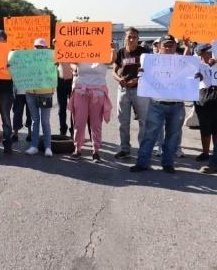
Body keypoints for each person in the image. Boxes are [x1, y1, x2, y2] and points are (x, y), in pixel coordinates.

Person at [130, 35, 188, 174]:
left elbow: (192, 76)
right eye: (165, 45)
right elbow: (143, 74)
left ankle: (168, 163)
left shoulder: (184, 62)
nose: (168, 48)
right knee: (150, 135)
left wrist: (198, 75)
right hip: (156, 104)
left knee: (173, 136)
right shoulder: (150, 61)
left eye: (171, 45)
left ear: (175, 46)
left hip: (177, 105)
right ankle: (142, 163)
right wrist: (141, 72)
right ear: (159, 47)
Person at [113, 27, 150, 159]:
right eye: (129, 37)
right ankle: (124, 148)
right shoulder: (121, 52)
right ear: (125, 38)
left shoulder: (145, 52)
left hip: (140, 90)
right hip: (123, 90)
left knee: (143, 121)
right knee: (123, 121)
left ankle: (143, 150)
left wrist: (137, 80)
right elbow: (114, 71)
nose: (132, 39)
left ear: (138, 39)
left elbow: (150, 71)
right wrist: (119, 79)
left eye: (134, 37)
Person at [68, 60, 113, 162]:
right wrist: (74, 67)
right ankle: (77, 149)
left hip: (98, 93)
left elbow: (112, 59)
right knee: (79, 123)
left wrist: (111, 49)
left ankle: (96, 151)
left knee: (96, 124)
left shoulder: (103, 50)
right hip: (80, 91)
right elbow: (70, 60)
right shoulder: (81, 48)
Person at [24, 38, 55, 157]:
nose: (39, 49)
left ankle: (48, 147)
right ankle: (34, 146)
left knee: (45, 121)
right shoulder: (27, 59)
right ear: (34, 47)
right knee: (35, 120)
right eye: (37, 46)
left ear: (46, 48)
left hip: (45, 92)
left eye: (41, 47)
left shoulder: (51, 58)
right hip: (30, 92)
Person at [194, 43, 217, 164]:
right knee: (205, 126)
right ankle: (205, 152)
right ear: (201, 53)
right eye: (208, 51)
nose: (210, 53)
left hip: (215, 92)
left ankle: (215, 152)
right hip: (202, 96)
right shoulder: (196, 64)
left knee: (216, 127)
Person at [57, 61, 74, 136]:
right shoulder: (58, 50)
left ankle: (73, 130)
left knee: (74, 109)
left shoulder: (76, 49)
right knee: (61, 109)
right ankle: (63, 130)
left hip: (73, 81)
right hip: (61, 81)